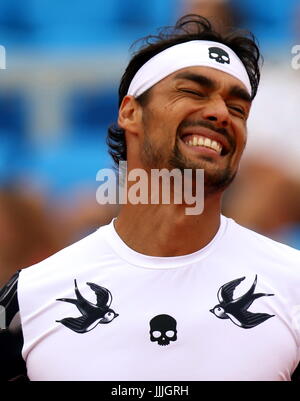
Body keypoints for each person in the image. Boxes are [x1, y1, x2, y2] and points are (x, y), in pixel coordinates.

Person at [1, 14, 300, 381]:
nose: (222, 113)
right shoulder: (29, 297)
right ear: (130, 112)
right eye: (192, 91)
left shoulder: (293, 285)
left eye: (237, 108)